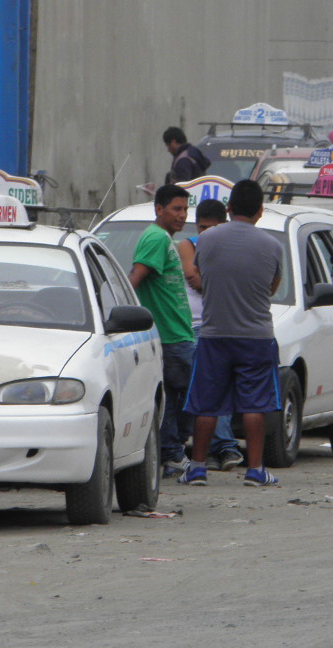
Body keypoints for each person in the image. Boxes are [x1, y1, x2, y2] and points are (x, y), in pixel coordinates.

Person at [181, 179, 285, 488]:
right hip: (257, 336)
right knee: (254, 404)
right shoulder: (272, 245)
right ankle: (255, 470)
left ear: (228, 208)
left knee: (206, 403)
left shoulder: (208, 240)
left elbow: (200, 277)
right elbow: (272, 289)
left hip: (214, 334)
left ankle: (197, 468)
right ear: (260, 211)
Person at [127, 184, 199, 476]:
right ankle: (171, 454)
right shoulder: (156, 238)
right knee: (178, 398)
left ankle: (171, 452)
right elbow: (135, 277)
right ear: (159, 209)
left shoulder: (165, 238)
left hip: (179, 332)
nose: (182, 215)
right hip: (168, 336)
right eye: (176, 209)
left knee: (180, 395)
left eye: (185, 209)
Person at [175, 198, 245, 472]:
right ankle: (219, 446)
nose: (207, 234)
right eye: (202, 228)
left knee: (218, 388)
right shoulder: (187, 245)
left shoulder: (231, 248)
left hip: (220, 325)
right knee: (202, 388)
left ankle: (223, 448)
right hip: (191, 327)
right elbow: (193, 277)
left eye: (212, 229)